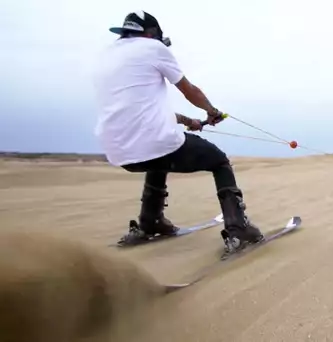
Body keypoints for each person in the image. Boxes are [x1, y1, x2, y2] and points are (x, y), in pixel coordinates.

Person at [92, 11, 264, 256]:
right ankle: (238, 229)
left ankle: (150, 222)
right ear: (151, 34)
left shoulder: (106, 57)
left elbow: (138, 113)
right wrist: (211, 111)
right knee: (219, 161)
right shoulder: (152, 48)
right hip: (152, 141)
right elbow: (189, 90)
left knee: (157, 155)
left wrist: (189, 121)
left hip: (118, 150)